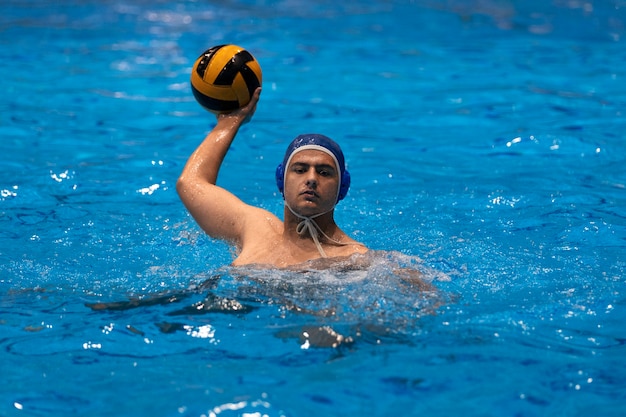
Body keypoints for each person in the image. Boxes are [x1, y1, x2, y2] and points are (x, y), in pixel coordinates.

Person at [176, 88, 368, 268]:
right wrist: (231, 121)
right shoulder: (255, 228)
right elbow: (190, 184)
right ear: (281, 181)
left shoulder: (355, 259)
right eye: (300, 170)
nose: (311, 179)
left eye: (324, 172)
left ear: (342, 187)